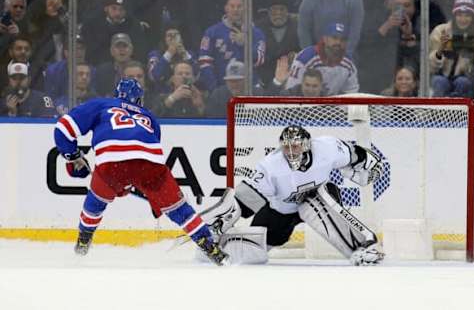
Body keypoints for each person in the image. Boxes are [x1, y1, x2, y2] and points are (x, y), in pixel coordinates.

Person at [53, 77, 229, 265]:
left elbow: (63, 128)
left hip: (112, 162)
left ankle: (83, 240)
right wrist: (137, 186)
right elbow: (142, 158)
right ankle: (209, 245)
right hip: (151, 162)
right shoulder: (149, 117)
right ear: (139, 99)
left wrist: (72, 155)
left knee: (95, 202)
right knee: (180, 210)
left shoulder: (102, 104)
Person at [202, 125, 385, 265]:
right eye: (286, 147)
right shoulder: (270, 166)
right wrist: (220, 224)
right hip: (282, 211)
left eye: (295, 147)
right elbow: (243, 201)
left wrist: (371, 165)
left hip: (321, 199)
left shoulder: (327, 148)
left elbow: (356, 155)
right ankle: (207, 247)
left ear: (306, 145)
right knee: (256, 249)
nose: (290, 152)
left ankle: (364, 246)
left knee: (313, 203)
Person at [198, 0, 265, 92]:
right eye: (232, 6)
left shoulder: (256, 33)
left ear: (246, 8)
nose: (236, 9)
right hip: (221, 89)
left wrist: (244, 45)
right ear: (226, 8)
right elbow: (204, 62)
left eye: (239, 6)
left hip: (250, 89)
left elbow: (259, 60)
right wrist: (215, 89)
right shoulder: (212, 32)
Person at [286, 22, 359, 95]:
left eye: (343, 39)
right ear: (325, 39)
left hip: (333, 104)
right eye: (334, 38)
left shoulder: (349, 63)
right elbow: (291, 90)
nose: (338, 42)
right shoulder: (306, 57)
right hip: (303, 103)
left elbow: (351, 93)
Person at [429, 0, 474, 98]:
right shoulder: (440, 31)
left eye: (467, 15)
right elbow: (430, 67)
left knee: (462, 82)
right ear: (454, 15)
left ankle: (462, 112)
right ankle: (437, 112)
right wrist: (441, 49)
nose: (463, 19)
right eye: (460, 15)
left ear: (473, 17)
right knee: (439, 81)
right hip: (442, 76)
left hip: (467, 79)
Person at [82, 0, 148, 66]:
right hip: (100, 66)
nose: (117, 13)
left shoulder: (133, 25)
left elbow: (139, 51)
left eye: (121, 9)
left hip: (129, 67)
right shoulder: (92, 25)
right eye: (114, 8)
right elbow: (91, 51)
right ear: (106, 8)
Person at [297, 0, 364, 56]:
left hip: (345, 53)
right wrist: (310, 55)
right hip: (316, 52)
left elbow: (355, 32)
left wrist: (344, 57)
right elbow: (303, 31)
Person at [256, 0, 300, 88]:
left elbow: (302, 50)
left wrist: (296, 55)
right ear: (268, 11)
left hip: (291, 78)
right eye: (274, 9)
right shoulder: (259, 28)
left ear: (287, 11)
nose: (278, 13)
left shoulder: (297, 27)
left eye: (282, 9)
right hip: (265, 79)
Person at [147, 22, 196, 93]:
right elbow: (154, 76)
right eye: (169, 35)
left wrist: (185, 55)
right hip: (163, 94)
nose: (173, 38)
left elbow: (197, 75)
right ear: (164, 39)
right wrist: (169, 53)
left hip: (188, 91)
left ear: (181, 38)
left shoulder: (190, 54)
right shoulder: (155, 55)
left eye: (176, 35)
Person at [95, 33, 134, 97]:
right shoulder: (102, 71)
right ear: (111, 51)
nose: (121, 50)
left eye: (125, 46)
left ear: (131, 50)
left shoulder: (140, 70)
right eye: (118, 47)